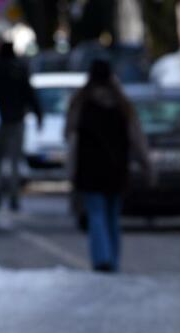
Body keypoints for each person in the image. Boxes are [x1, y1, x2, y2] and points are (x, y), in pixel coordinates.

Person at [65, 59, 150, 273]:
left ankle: (101, 258)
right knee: (112, 215)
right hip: (116, 168)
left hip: (89, 169)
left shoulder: (81, 102)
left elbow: (69, 134)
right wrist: (146, 164)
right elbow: (136, 138)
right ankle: (112, 259)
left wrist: (72, 169)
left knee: (96, 213)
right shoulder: (122, 104)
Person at [0, 39, 43, 212]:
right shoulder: (19, 68)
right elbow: (29, 93)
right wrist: (38, 115)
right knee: (15, 160)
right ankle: (14, 196)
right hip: (16, 120)